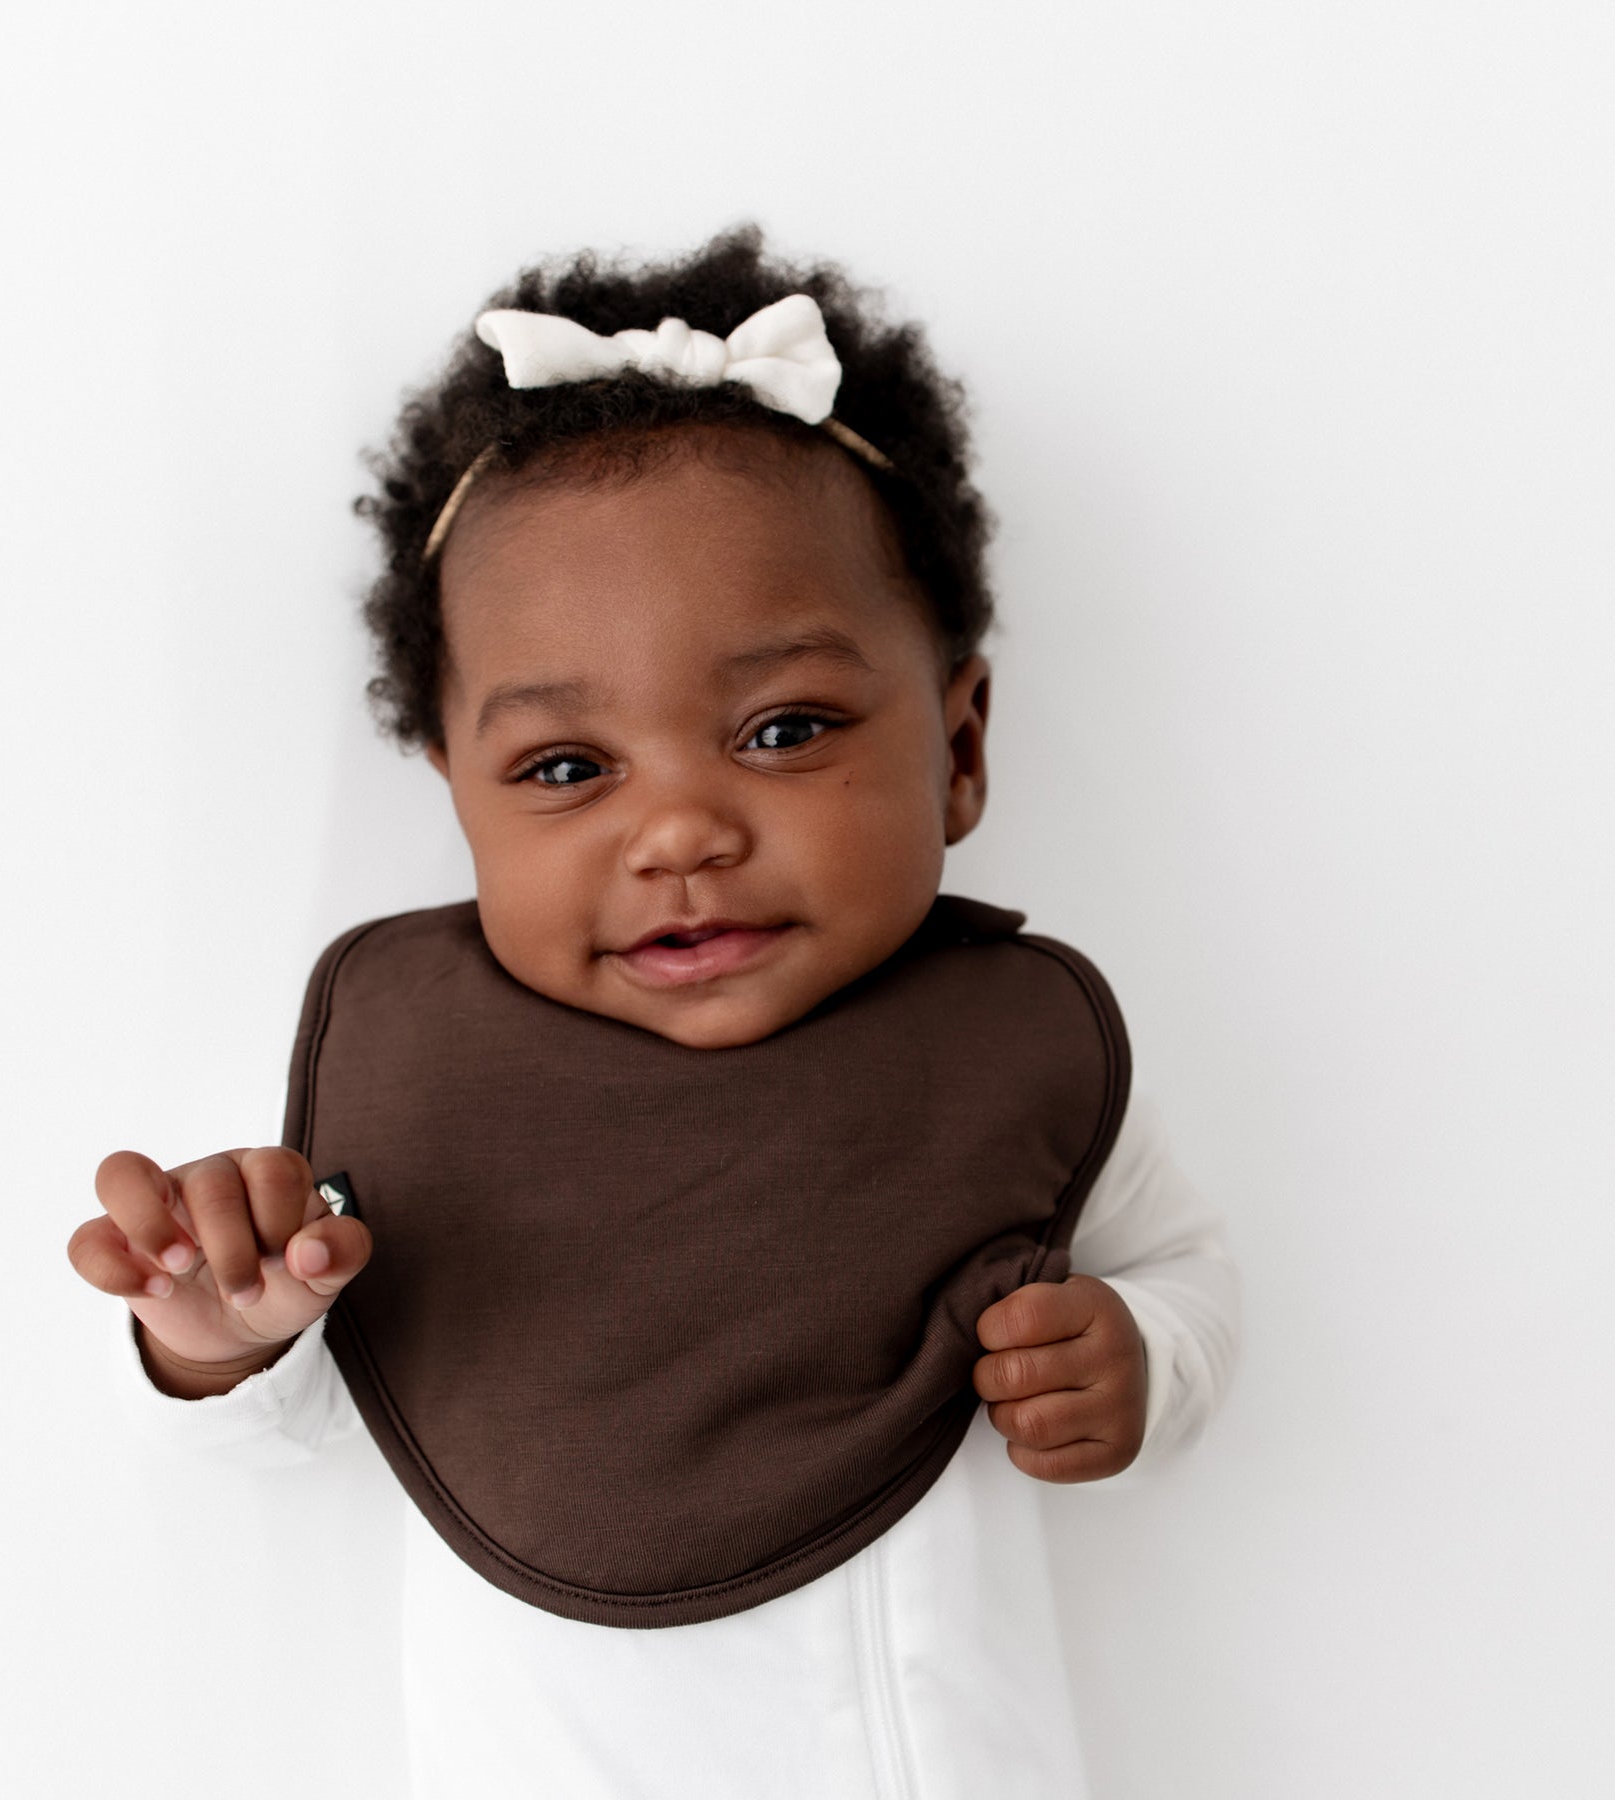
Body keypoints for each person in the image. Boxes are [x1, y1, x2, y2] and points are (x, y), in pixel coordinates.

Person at [68, 225, 1239, 1797]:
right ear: (460, 803)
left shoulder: (1001, 1047)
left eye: (783, 728)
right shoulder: (418, 1072)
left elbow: (1180, 1263)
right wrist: (222, 1341)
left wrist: (1144, 1357)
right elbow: (289, 1430)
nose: (680, 831)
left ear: (959, 748)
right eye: (566, 769)